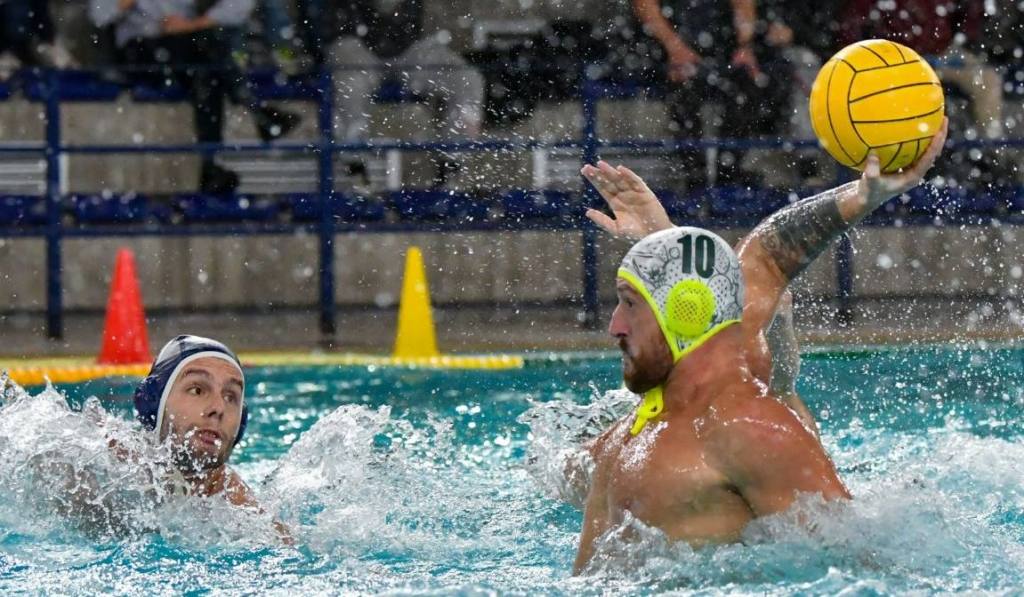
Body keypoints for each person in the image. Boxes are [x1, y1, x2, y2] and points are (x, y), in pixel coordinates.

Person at [569, 118, 948, 573]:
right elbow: (765, 254)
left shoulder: (751, 430)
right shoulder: (634, 430)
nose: (614, 326)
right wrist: (663, 242)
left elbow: (864, 570)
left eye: (629, 304)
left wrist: (865, 196)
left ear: (687, 313)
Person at [89, 0, 301, 194]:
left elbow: (237, 6)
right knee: (207, 58)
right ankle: (257, 111)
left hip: (187, 44)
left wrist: (191, 25)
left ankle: (211, 165)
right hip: (141, 50)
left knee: (207, 74)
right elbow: (99, 15)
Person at [319, 0, 485, 186]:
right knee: (351, 83)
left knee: (466, 79)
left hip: (410, 46)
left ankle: (451, 167)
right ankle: (355, 170)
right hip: (353, 45)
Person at [632, 0, 793, 188]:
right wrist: (674, 47)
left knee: (750, 83)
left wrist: (744, 46)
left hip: (720, 46)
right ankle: (694, 173)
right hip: (665, 48)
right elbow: (644, 6)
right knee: (684, 91)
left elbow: (743, 5)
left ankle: (729, 169)